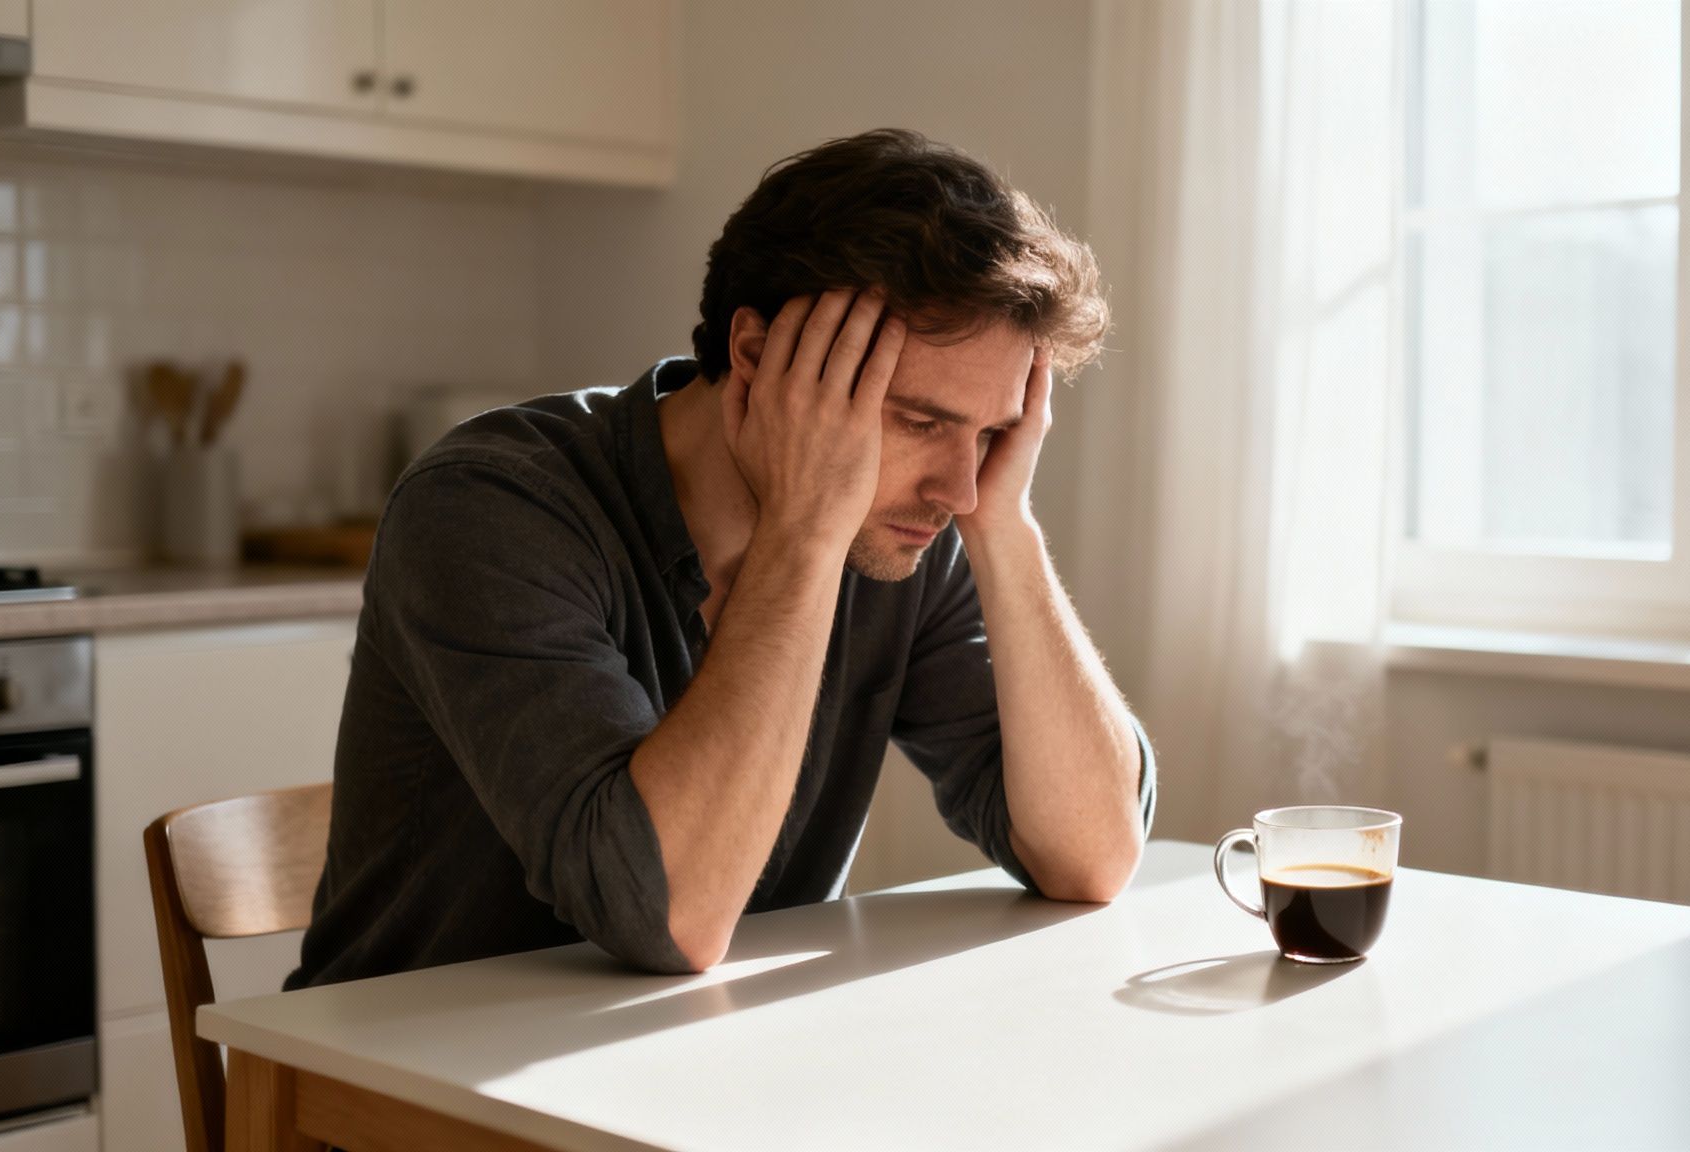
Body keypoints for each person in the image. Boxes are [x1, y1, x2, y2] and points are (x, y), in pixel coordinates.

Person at [287, 128, 1156, 985]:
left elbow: (1093, 857)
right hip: (403, 1084)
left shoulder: (904, 533)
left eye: (995, 433)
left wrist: (1009, 529)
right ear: (754, 356)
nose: (959, 488)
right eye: (921, 422)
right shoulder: (489, 507)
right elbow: (668, 917)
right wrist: (803, 532)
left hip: (695, 1071)